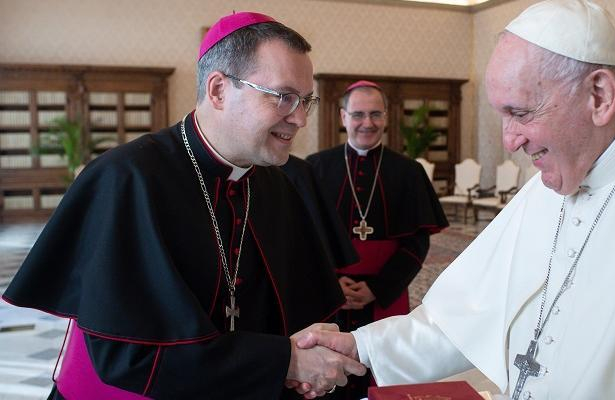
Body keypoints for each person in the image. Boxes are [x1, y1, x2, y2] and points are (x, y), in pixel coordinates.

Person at [292, 1, 615, 399]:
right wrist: (359, 345)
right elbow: (460, 316)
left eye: (520, 112)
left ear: (599, 96)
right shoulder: (552, 182)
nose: (509, 140)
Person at [2, 11, 366, 399]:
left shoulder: (279, 184)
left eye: (305, 100)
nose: (299, 119)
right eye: (283, 97)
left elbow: (304, 314)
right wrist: (283, 360)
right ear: (219, 91)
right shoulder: (128, 179)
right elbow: (127, 355)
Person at [305, 80, 449, 399]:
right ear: (343, 117)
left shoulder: (409, 172)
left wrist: (377, 289)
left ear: (386, 117)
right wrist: (332, 281)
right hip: (329, 292)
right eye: (357, 114)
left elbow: (417, 243)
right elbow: (305, 238)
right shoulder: (314, 168)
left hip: (386, 292)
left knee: (384, 372)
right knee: (328, 372)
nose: (366, 123)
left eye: (375, 114)